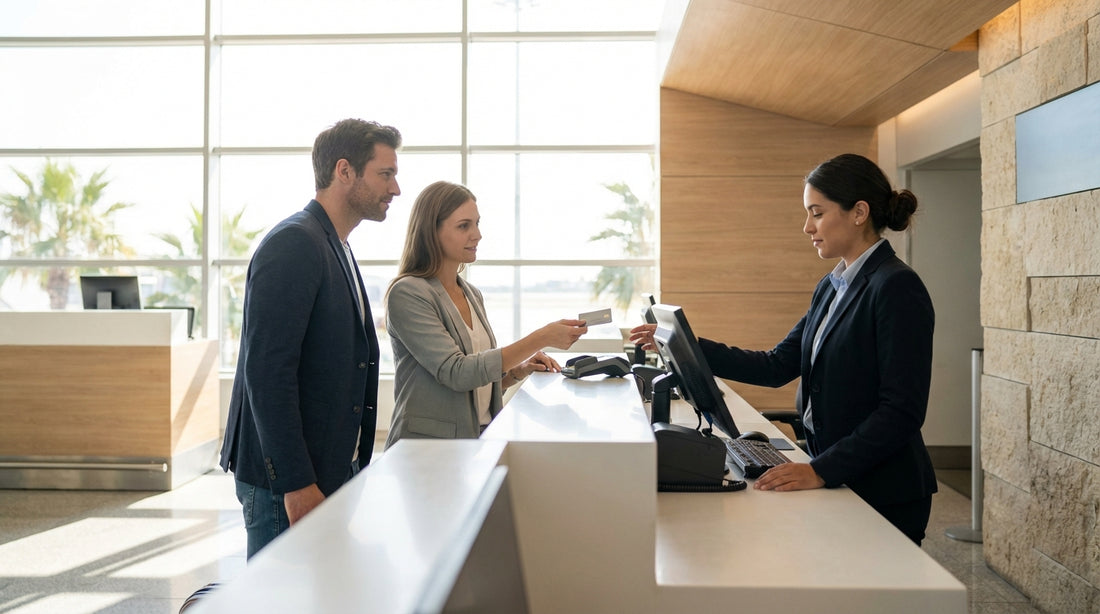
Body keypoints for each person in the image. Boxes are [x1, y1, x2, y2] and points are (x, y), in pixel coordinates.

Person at [630, 153, 937, 545]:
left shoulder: (895, 286)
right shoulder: (831, 286)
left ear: (859, 212)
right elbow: (775, 365)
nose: (807, 227)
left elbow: (902, 411)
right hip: (837, 474)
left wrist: (822, 469)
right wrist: (686, 344)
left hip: (881, 486)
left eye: (817, 212)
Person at [219, 118, 402, 559]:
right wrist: (296, 483)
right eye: (385, 173)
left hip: (326, 472)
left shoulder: (335, 243)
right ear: (344, 171)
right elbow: (266, 374)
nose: (396, 189)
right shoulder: (295, 244)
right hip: (288, 485)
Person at [384, 180, 588, 446]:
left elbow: (476, 384)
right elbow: (457, 373)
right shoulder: (409, 293)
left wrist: (519, 370)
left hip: (476, 442)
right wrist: (540, 337)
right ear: (431, 232)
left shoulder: (471, 293)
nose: (477, 234)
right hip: (425, 451)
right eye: (463, 226)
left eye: (477, 223)